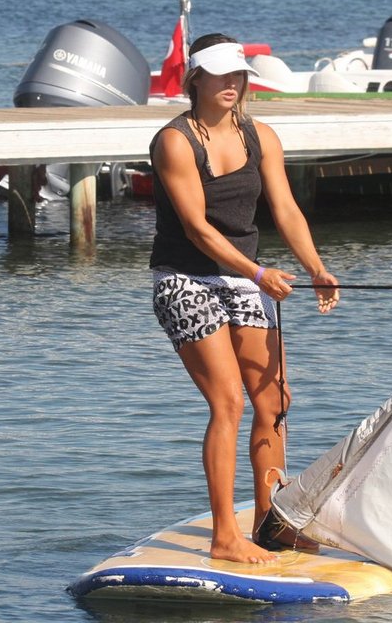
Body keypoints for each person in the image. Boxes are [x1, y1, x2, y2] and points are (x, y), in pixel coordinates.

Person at [149, 33, 339, 565]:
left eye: (238, 74)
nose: (232, 83)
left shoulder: (261, 136)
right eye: (220, 74)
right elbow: (197, 230)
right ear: (195, 79)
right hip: (185, 279)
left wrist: (316, 268)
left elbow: (286, 209)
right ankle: (224, 537)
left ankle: (270, 522)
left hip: (241, 279)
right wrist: (258, 272)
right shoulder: (175, 142)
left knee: (274, 400)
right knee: (228, 402)